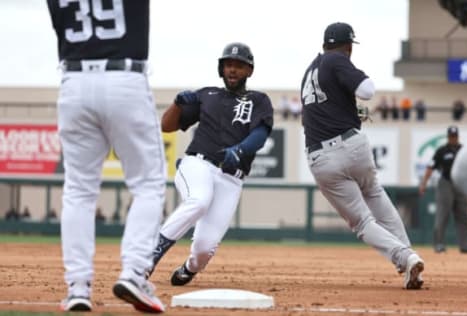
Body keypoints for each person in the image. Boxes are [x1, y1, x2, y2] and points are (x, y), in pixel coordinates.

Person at [47, 1, 167, 313]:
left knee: (78, 190)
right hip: (123, 79)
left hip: (73, 82)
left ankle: (77, 288)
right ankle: (134, 272)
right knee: (148, 184)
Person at [300, 22, 424, 290]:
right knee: (376, 195)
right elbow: (367, 90)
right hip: (354, 146)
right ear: (348, 46)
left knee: (362, 222)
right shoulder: (337, 59)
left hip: (322, 157)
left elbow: (316, 115)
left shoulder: (310, 71)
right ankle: (408, 255)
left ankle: (406, 257)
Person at [147, 42, 273, 286]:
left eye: (239, 65)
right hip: (198, 165)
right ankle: (148, 257)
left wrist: (240, 150)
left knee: (204, 250)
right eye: (228, 65)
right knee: (199, 200)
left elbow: (260, 134)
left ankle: (189, 267)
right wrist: (177, 103)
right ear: (221, 69)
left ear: (250, 70)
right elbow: (166, 126)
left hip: (231, 178)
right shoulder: (207, 95)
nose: (233, 70)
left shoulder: (259, 100)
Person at [419, 126, 467, 254]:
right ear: (448, 137)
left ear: (458, 137)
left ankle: (465, 245)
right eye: (451, 136)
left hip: (460, 184)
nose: (453, 139)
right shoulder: (442, 151)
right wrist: (423, 184)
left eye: (455, 136)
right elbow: (430, 167)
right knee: (442, 214)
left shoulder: (463, 150)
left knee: (463, 215)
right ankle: (438, 244)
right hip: (446, 183)